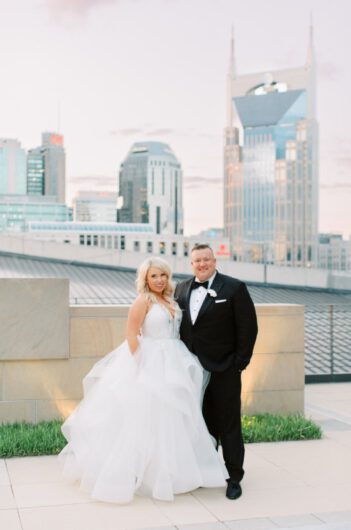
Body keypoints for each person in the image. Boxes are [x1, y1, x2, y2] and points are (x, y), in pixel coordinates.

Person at [59, 257, 228, 504]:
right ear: (145, 279)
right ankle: (145, 474)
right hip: (150, 361)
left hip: (174, 360)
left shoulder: (170, 299)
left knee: (172, 418)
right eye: (154, 276)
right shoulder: (143, 301)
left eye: (163, 275)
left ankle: (173, 472)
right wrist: (140, 367)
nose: (159, 280)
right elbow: (131, 334)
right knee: (145, 419)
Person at [174, 244, 258, 500]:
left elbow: (248, 328)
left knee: (228, 423)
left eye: (206, 259)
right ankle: (206, 470)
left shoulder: (234, 288)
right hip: (192, 371)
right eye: (197, 260)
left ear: (214, 260)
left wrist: (238, 364)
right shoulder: (181, 288)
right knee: (201, 422)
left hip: (224, 369)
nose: (202, 264)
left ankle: (234, 476)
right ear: (191, 264)